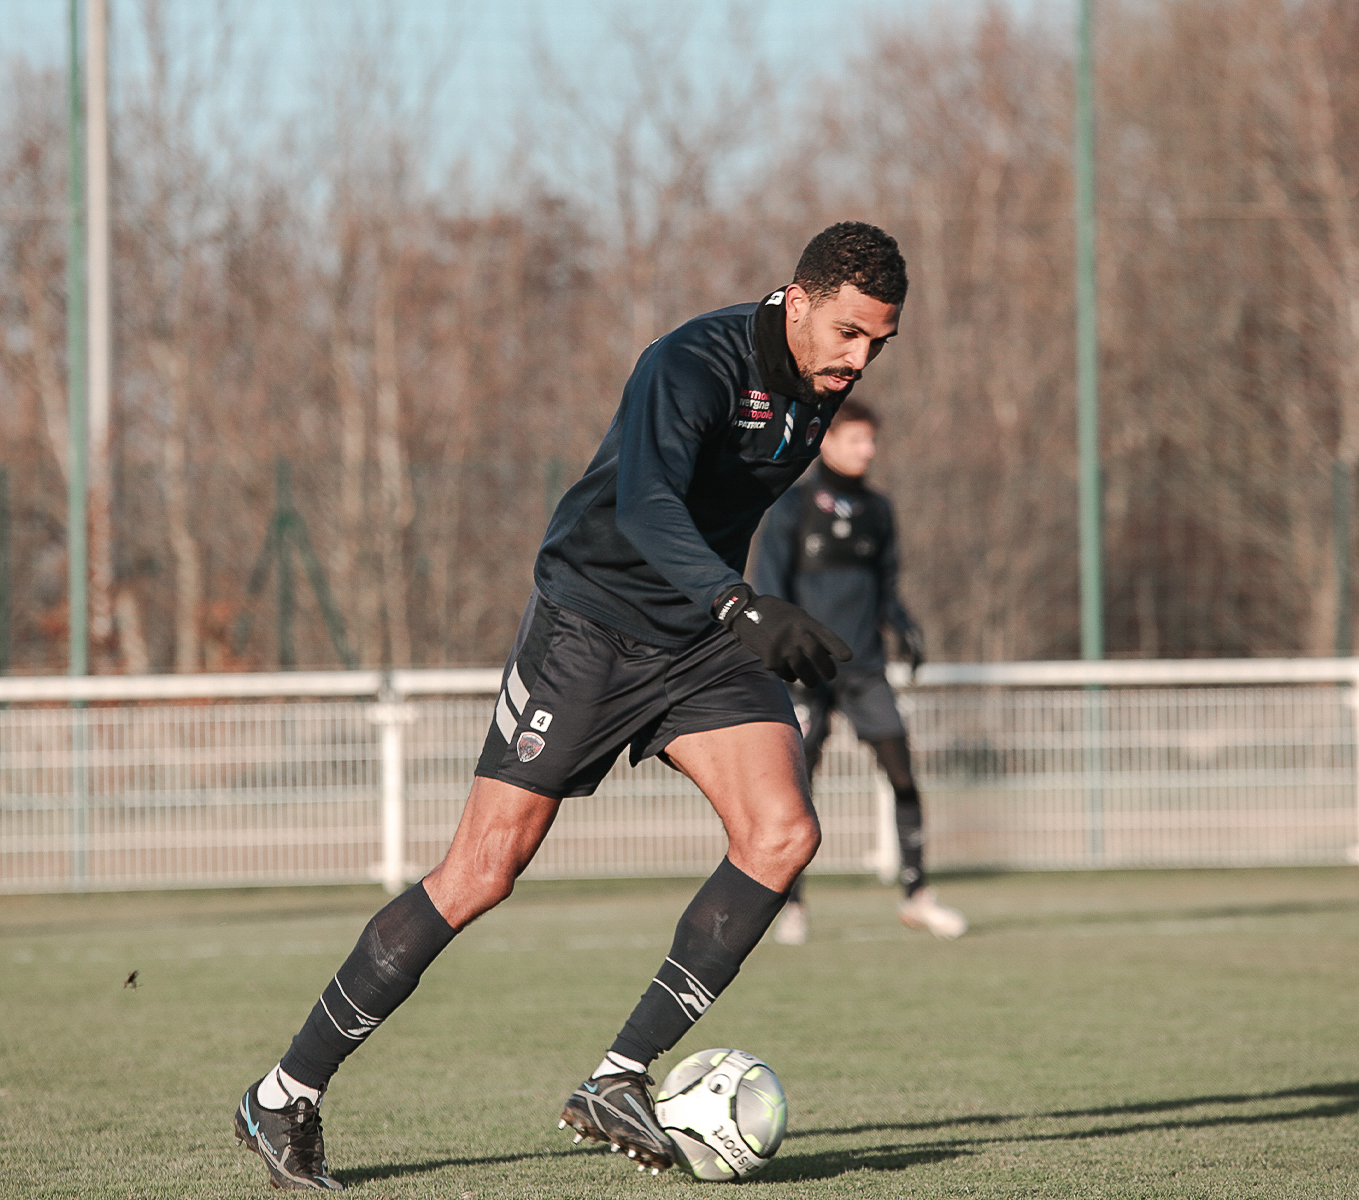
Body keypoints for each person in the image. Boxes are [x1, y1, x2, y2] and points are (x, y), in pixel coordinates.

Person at [231, 222, 906, 1190]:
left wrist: (741, 611)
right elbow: (646, 507)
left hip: (700, 642)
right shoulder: (690, 363)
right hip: (590, 627)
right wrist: (739, 601)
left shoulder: (818, 393)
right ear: (796, 300)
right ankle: (283, 1097)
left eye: (878, 344)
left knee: (782, 834)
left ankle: (616, 1078)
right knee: (481, 873)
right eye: (847, 333)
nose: (858, 359)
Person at [753, 400, 966, 945]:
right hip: (806, 671)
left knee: (902, 774)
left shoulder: (878, 509)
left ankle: (917, 894)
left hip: (865, 668)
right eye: (856, 439)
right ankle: (790, 904)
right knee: (796, 787)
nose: (867, 449)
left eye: (871, 440)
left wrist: (905, 625)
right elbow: (771, 588)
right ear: (826, 440)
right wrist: (782, 650)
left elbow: (885, 586)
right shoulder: (792, 507)